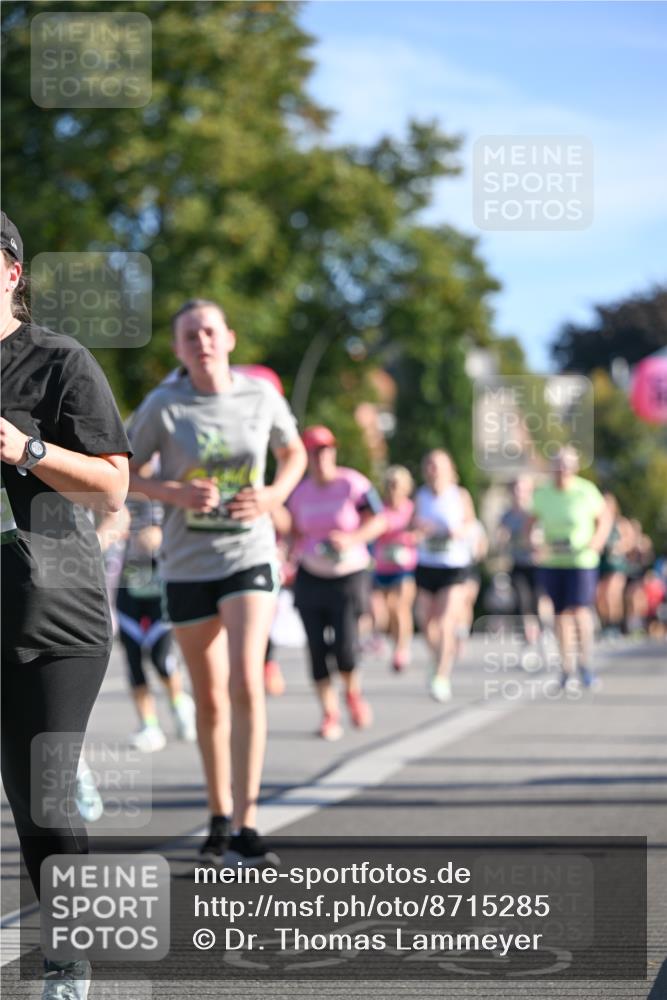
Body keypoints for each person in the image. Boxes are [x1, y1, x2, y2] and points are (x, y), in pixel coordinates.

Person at [0, 212, 130, 999]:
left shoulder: (57, 361)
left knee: (41, 805)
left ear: (11, 271)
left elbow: (113, 480)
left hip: (53, 611)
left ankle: (68, 964)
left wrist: (27, 450)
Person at [127, 298, 305, 864]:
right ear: (178, 349)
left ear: (228, 337)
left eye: (209, 331)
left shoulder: (260, 395)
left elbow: (292, 451)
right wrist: (173, 493)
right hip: (187, 563)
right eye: (188, 336)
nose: (201, 342)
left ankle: (250, 823)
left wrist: (274, 495)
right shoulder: (163, 405)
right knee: (208, 698)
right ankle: (219, 816)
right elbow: (121, 472)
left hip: (247, 553)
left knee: (246, 681)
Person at [286, 426, 386, 740]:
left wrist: (352, 538)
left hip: (348, 575)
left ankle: (352, 694)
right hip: (310, 574)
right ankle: (329, 713)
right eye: (313, 452)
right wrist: (286, 559)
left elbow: (379, 520)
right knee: (316, 649)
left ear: (334, 451)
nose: (320, 457)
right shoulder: (299, 492)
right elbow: (293, 533)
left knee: (344, 647)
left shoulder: (352, 483)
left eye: (325, 450)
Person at [99, 488, 197, 752]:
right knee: (133, 658)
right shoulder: (115, 486)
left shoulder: (165, 483)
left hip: (161, 588)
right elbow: (105, 523)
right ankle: (148, 724)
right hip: (128, 588)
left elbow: (186, 526)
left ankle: (178, 703)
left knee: (160, 658)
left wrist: (158, 537)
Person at [530, 446, 612, 689]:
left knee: (579, 611)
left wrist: (596, 542)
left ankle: (585, 664)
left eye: (566, 464)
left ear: (575, 467)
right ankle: (566, 668)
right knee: (560, 614)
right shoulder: (543, 493)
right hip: (554, 561)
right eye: (557, 464)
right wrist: (534, 543)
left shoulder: (585, 491)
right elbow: (530, 522)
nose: (562, 469)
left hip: (581, 561)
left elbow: (604, 519)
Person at [413, 449, 476, 703]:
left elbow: (471, 524)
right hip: (427, 564)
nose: (433, 470)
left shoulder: (459, 495)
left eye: (438, 465)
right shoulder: (421, 495)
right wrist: (421, 529)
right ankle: (436, 657)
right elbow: (413, 526)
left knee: (446, 621)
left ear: (450, 469)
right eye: (429, 465)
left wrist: (457, 531)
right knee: (426, 623)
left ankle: (442, 675)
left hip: (454, 565)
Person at [370, 465, 418, 672]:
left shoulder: (412, 509)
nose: (392, 489)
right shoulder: (380, 510)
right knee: (381, 611)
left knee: (400, 608)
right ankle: (380, 638)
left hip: (404, 567)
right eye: (389, 484)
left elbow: (421, 531)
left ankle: (401, 649)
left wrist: (410, 538)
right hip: (382, 567)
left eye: (396, 485)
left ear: (406, 487)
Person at [596, 493, 631, 638]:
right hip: (602, 563)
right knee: (600, 596)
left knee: (612, 594)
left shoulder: (620, 523)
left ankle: (616, 625)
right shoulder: (597, 522)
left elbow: (630, 541)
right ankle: (606, 624)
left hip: (616, 565)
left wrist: (619, 547)